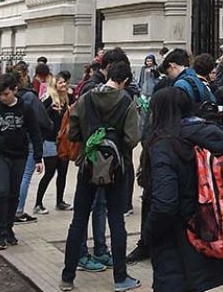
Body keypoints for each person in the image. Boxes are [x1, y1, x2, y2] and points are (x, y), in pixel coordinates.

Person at [138, 87, 223, 291]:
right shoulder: (205, 138)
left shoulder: (165, 146)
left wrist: (148, 233)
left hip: (175, 237)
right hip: (205, 229)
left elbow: (165, 204)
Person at [59, 61, 141, 292]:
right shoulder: (127, 102)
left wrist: (91, 140)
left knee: (79, 220)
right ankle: (120, 278)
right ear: (124, 80)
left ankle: (67, 277)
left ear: (107, 74)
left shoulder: (85, 99)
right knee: (116, 220)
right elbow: (133, 138)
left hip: (89, 164)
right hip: (117, 168)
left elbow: (73, 132)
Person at [0, 73, 44, 250]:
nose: (2, 98)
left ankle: (9, 228)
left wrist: (38, 157)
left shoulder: (26, 108)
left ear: (15, 90)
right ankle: (0, 231)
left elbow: (35, 133)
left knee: (14, 194)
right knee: (1, 192)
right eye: (0, 94)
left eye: (6, 94)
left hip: (19, 156)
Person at [11, 63, 53, 224]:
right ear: (23, 77)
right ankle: (18, 210)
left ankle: (12, 210)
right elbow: (44, 120)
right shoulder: (29, 97)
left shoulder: (10, 96)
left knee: (16, 176)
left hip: (14, 141)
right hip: (29, 140)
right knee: (25, 176)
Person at [36, 71, 74, 214]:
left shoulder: (66, 98)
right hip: (50, 140)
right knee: (50, 172)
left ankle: (60, 201)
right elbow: (40, 117)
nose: (64, 84)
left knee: (63, 172)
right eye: (60, 82)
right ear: (55, 84)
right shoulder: (49, 98)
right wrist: (50, 110)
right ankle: (38, 203)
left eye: (64, 82)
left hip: (63, 141)